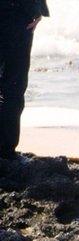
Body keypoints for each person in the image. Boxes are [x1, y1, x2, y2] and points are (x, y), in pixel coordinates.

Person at [0, 0, 49, 161]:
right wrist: (36, 8)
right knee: (14, 83)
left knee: (13, 84)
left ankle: (6, 150)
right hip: (17, 13)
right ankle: (6, 151)